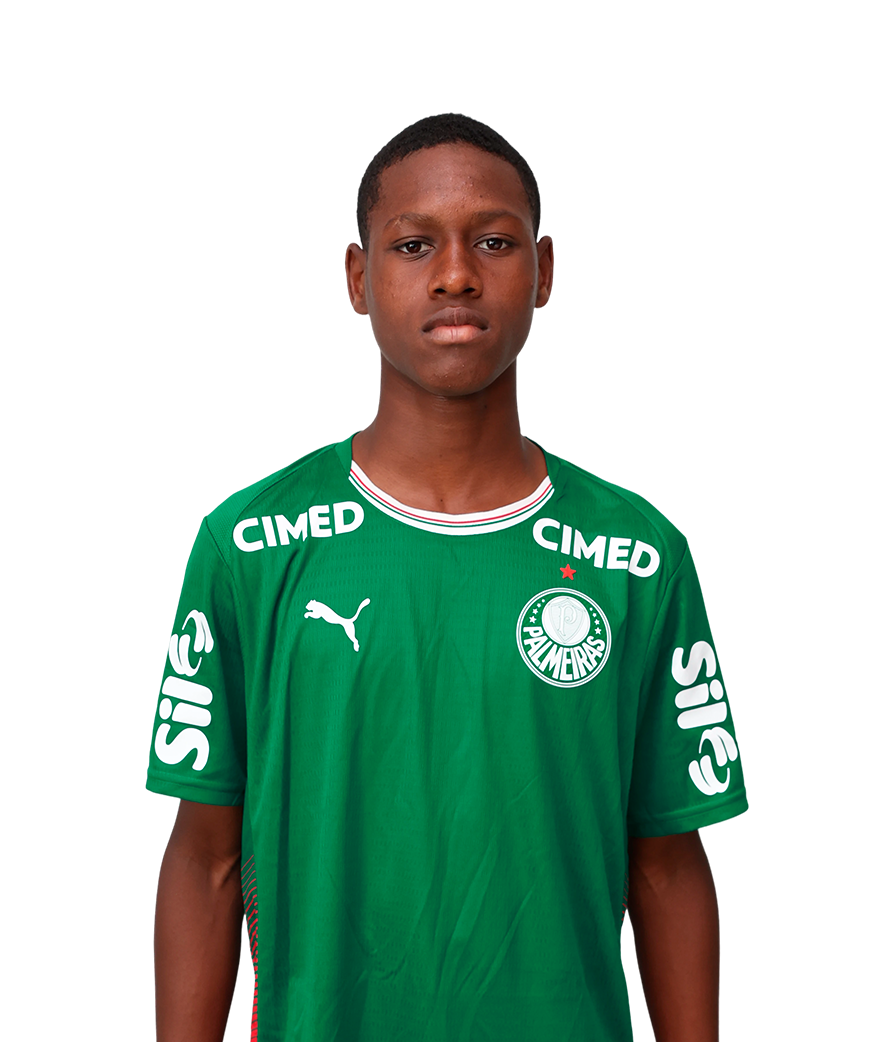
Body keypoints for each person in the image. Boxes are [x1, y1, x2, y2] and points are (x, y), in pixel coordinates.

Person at [148, 113, 748, 1042]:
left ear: (546, 273)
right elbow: (205, 859)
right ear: (357, 279)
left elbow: (667, 865)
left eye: (494, 242)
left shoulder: (637, 556)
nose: (457, 273)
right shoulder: (251, 546)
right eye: (415, 244)